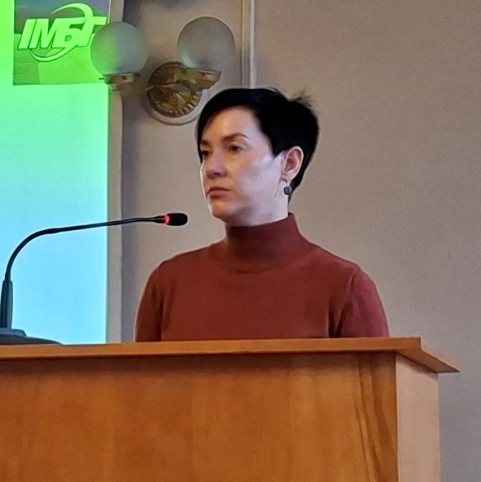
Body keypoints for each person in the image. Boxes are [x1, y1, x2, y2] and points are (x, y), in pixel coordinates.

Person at [135, 88, 389, 341]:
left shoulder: (344, 287)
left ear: (289, 163)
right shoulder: (169, 282)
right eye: (206, 153)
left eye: (234, 148)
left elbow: (372, 370)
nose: (211, 168)